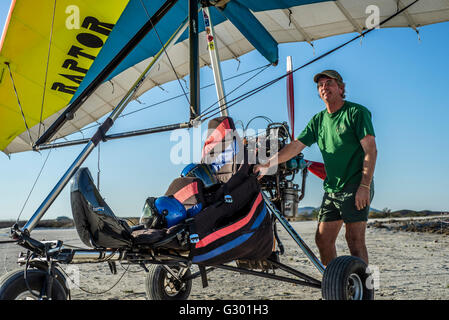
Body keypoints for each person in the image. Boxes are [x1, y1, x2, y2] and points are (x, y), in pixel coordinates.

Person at [254, 70, 377, 266]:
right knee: (323, 240)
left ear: (341, 88)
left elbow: (371, 150)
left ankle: (361, 289)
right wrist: (268, 164)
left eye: (329, 83)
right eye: (320, 85)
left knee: (354, 240)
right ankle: (333, 285)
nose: (324, 87)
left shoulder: (356, 112)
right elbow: (296, 146)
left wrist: (364, 186)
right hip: (332, 189)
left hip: (355, 185)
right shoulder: (318, 120)